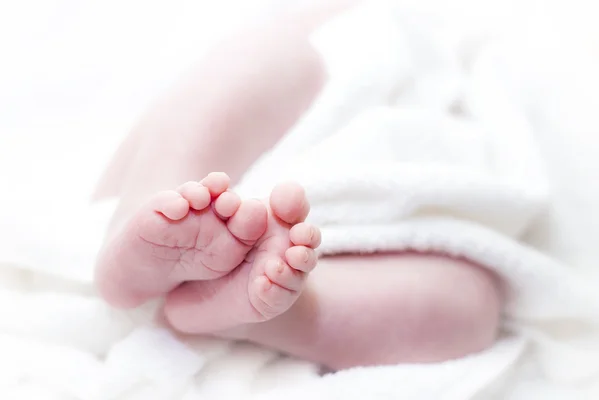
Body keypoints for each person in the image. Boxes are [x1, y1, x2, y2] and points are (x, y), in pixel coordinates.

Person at [94, 1, 502, 370]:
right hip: (281, 130)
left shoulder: (472, 46)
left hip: (403, 201)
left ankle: (278, 308)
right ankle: (146, 218)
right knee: (272, 56)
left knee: (477, 305)